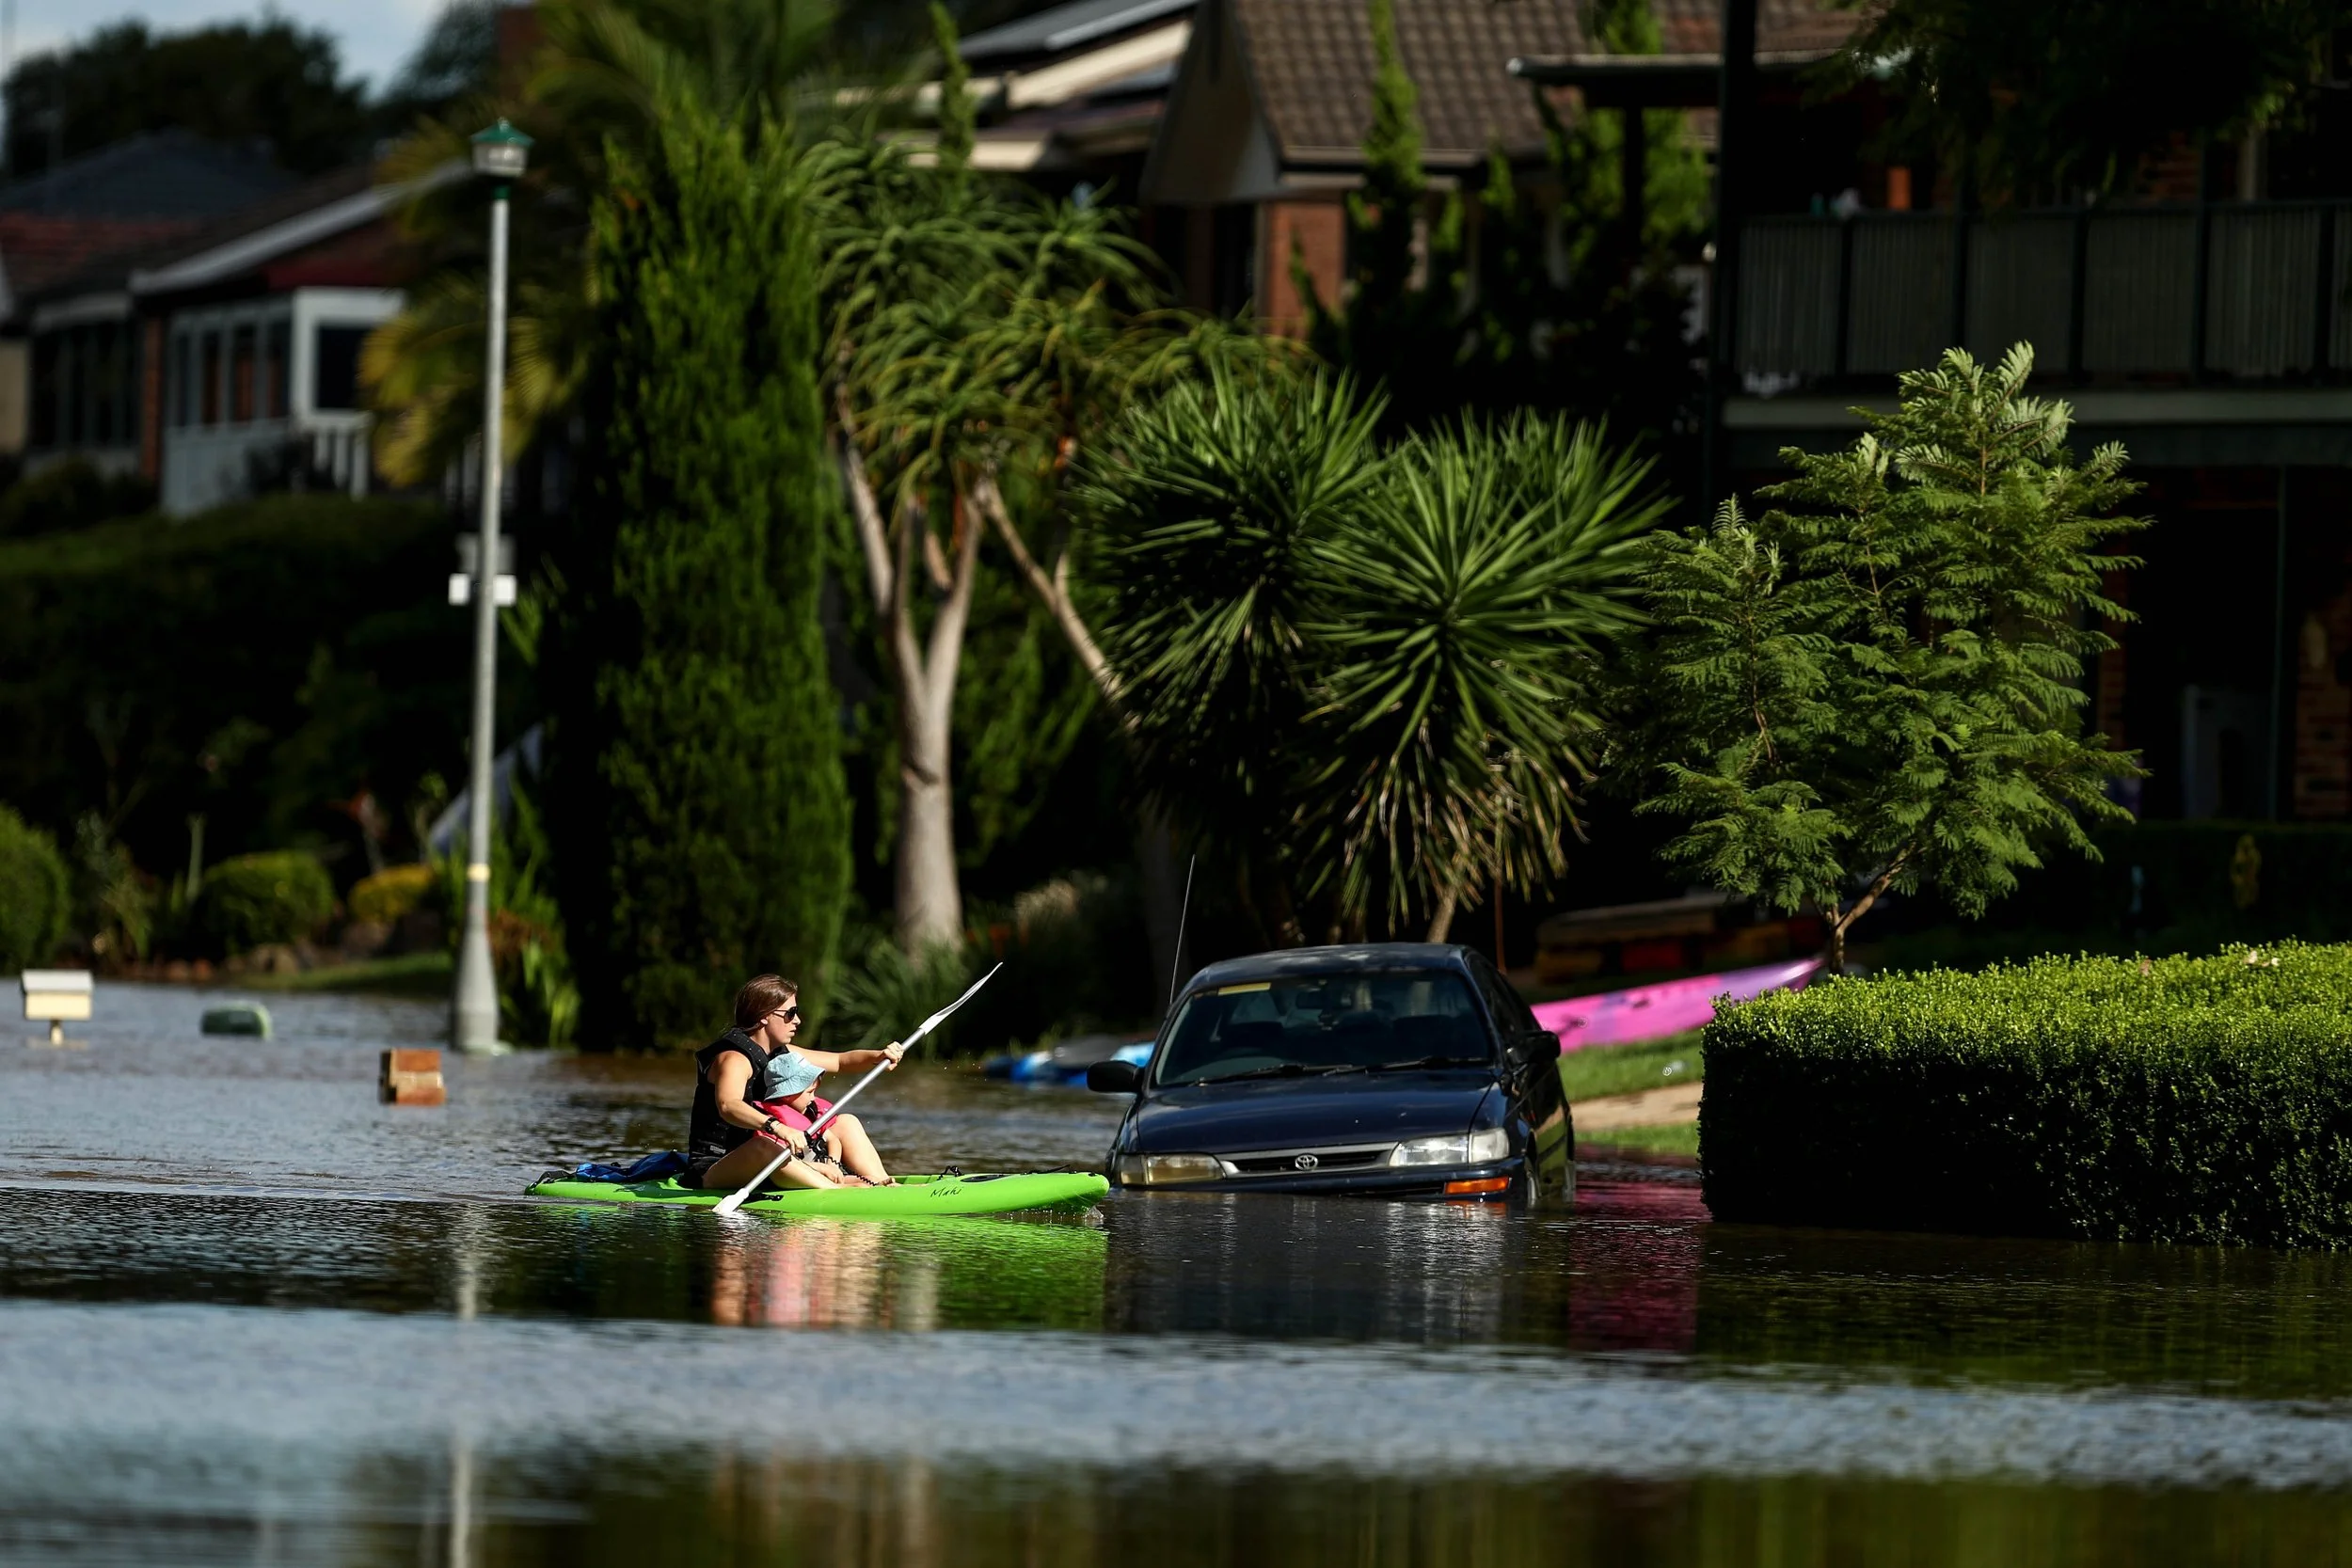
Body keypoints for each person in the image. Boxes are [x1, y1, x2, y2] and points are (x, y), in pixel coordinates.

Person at [688, 974, 906, 1193]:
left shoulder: (780, 1055)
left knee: (845, 1122)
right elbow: (728, 1105)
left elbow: (840, 1061)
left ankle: (882, 1184)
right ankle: (836, 1193)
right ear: (764, 1016)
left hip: (770, 1161)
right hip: (716, 1166)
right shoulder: (734, 1059)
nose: (798, 1020)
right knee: (764, 1146)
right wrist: (777, 1127)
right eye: (790, 1014)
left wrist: (878, 1055)